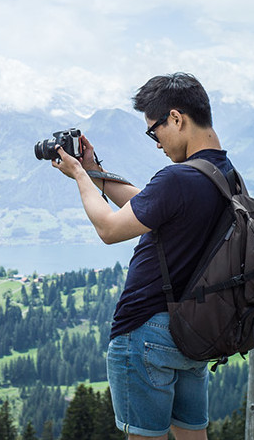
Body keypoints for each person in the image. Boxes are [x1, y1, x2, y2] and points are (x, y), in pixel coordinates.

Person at [52, 72, 234, 439]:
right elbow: (151, 209)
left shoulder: (178, 178)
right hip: (193, 330)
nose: (157, 144)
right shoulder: (223, 174)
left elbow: (109, 229)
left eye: (155, 131)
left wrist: (78, 177)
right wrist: (95, 173)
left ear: (176, 118)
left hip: (146, 332)